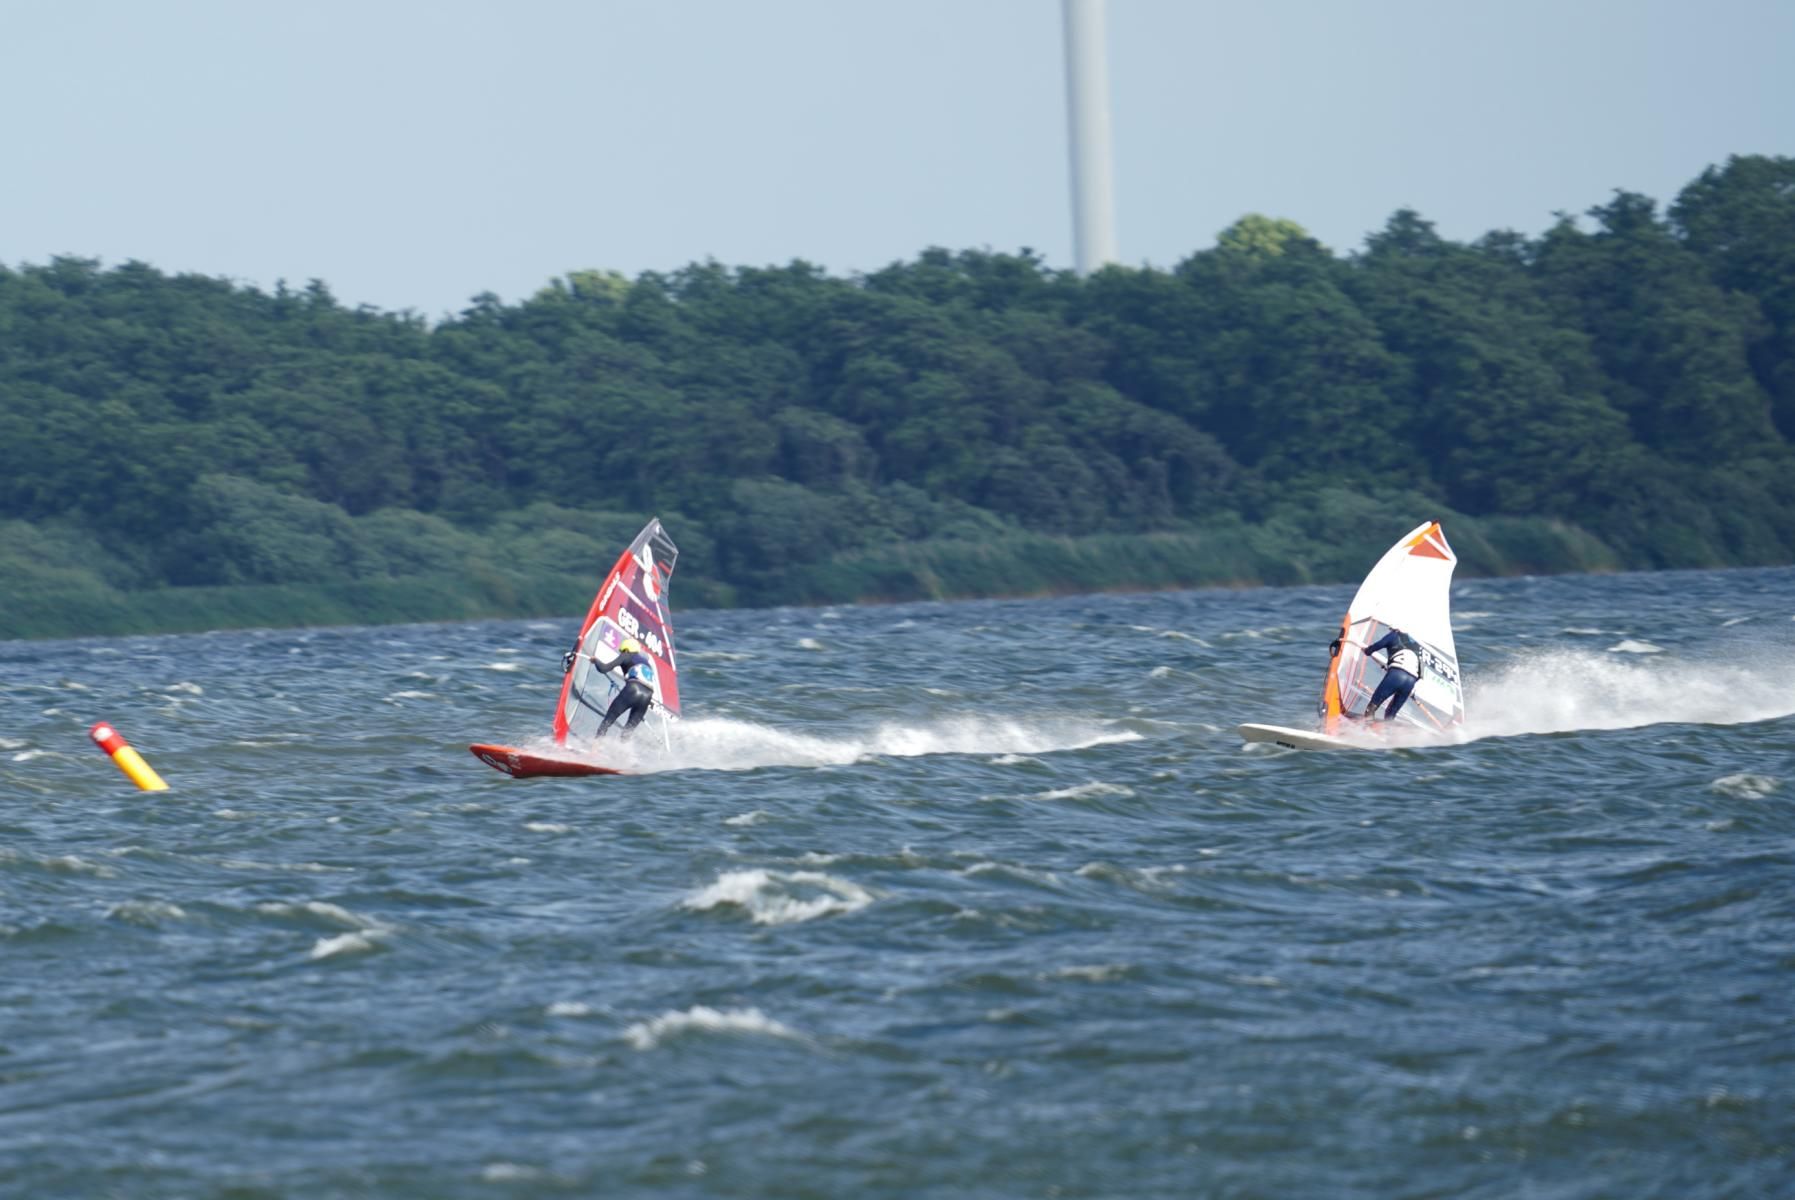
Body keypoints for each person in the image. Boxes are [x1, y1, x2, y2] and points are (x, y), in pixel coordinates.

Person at [588, 636, 659, 738]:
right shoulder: (647, 664)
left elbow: (604, 668)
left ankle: (595, 749)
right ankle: (623, 752)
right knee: (627, 733)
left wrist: (596, 661)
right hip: (647, 696)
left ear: (625, 649)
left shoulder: (626, 655)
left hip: (633, 689)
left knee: (607, 723)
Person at [1348, 627, 1424, 722]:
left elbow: (1378, 645)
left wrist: (1368, 650)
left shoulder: (1394, 635)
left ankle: (1366, 732)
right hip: (1411, 681)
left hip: (1396, 675)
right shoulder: (1417, 645)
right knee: (1390, 715)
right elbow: (1421, 672)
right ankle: (1388, 734)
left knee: (1372, 707)